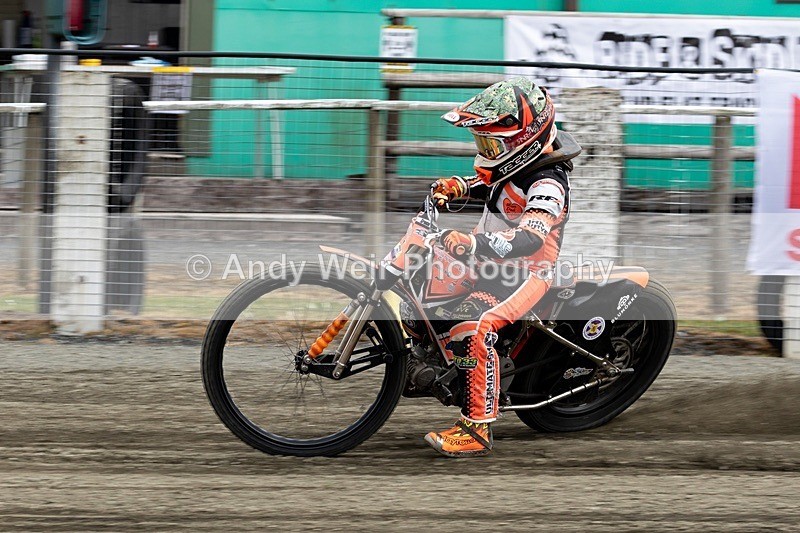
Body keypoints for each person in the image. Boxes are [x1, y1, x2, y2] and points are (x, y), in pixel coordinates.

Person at [422, 76, 581, 457]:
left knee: (477, 325)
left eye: (491, 143)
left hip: (527, 273)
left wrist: (473, 242)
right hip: (489, 263)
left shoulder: (548, 183)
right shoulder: (513, 166)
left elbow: (530, 238)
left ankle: (477, 429)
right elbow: (493, 184)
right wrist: (459, 187)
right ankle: (451, 364)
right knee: (423, 283)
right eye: (482, 142)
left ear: (524, 140)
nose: (485, 150)